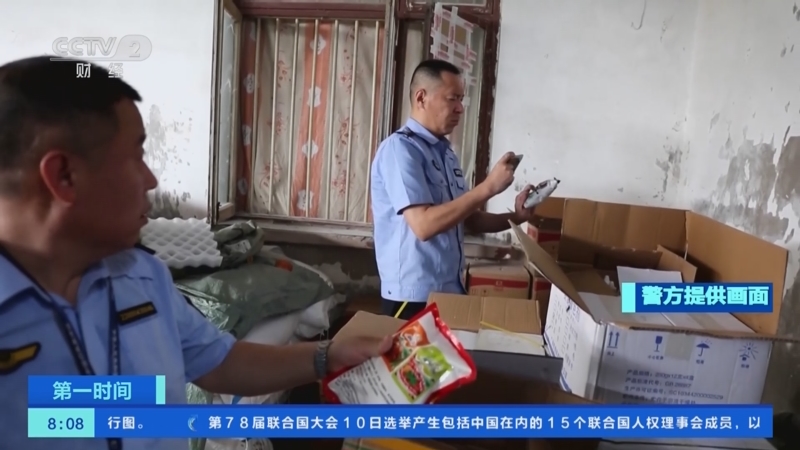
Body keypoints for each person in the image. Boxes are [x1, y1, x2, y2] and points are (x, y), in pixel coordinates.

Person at [0, 56, 390, 450]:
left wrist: (329, 355)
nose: (151, 179)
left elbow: (219, 362)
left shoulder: (142, 277)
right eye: (136, 156)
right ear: (64, 176)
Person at [370, 59, 537, 320]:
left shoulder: (446, 154)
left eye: (462, 99)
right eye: (452, 99)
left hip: (450, 290)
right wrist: (488, 187)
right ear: (421, 98)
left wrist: (516, 217)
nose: (460, 108)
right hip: (413, 297)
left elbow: (469, 219)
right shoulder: (400, 150)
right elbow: (424, 226)